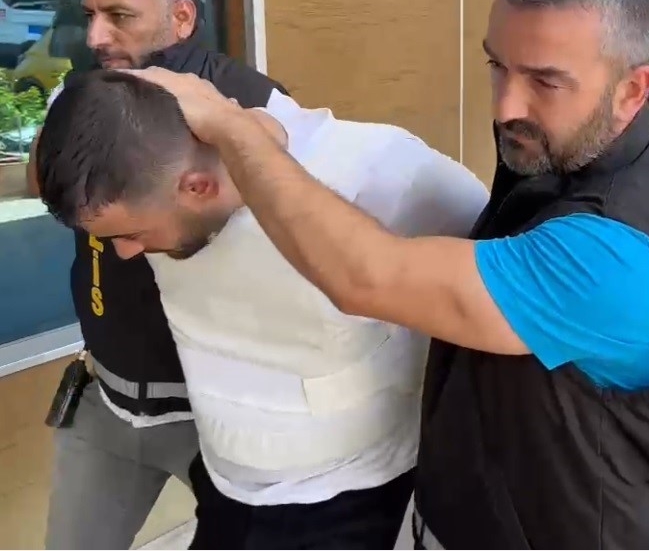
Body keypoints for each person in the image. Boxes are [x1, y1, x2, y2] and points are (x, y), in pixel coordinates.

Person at [118, 0, 649, 549]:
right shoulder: (628, 159)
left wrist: (234, 130)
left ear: (633, 91)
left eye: (545, 81)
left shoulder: (608, 262)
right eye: (497, 65)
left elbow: (366, 278)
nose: (506, 106)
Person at [35, 69, 490, 548]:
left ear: (197, 188)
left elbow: (492, 302)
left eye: (131, 235)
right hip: (225, 490)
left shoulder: (384, 173)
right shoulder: (153, 170)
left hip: (353, 498)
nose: (124, 254)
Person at [26, 0, 286, 550]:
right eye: (90, 15)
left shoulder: (255, 105)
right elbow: (43, 182)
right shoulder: (86, 92)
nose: (96, 37)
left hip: (217, 416)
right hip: (107, 398)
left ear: (182, 17)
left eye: (119, 16)